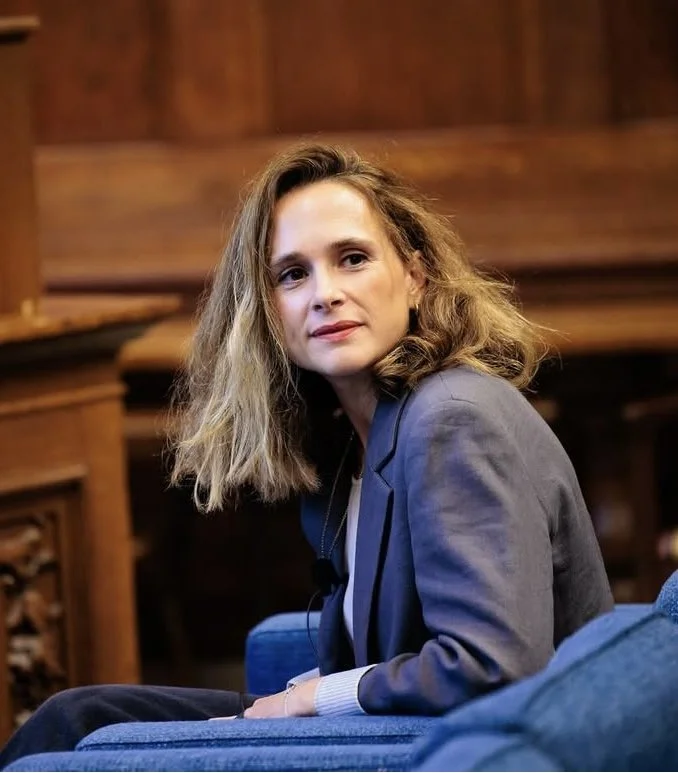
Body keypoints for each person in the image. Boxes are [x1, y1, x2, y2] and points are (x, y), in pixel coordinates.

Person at [0, 143, 613, 766]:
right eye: (292, 274)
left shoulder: (453, 419)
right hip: (404, 728)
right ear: (266, 312)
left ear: (415, 277)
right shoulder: (353, 437)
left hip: (481, 750)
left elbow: (495, 667)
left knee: (70, 748)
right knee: (76, 718)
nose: (326, 294)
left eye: (353, 259)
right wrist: (303, 697)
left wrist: (314, 698)